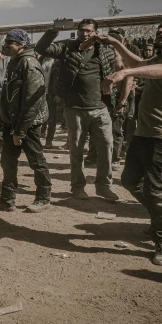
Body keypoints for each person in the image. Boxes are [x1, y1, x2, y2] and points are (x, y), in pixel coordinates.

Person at [99, 15, 162, 266]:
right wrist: (114, 43)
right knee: (130, 180)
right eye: (160, 27)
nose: (161, 31)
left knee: (154, 189)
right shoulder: (161, 55)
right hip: (145, 131)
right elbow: (142, 61)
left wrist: (124, 73)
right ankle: (161, 219)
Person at [35, 18, 127, 203]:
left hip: (101, 108)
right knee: (76, 151)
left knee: (106, 148)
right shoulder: (67, 47)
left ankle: (104, 187)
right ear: (77, 32)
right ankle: (78, 187)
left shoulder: (106, 51)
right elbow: (42, 49)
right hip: (75, 108)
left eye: (89, 31)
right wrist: (54, 30)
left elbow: (120, 68)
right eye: (82, 30)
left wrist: (118, 99)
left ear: (96, 32)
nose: (85, 34)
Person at [0, 29, 51, 213]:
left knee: (36, 161)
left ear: (21, 45)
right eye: (5, 42)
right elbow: (9, 94)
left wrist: (20, 131)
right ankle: (7, 199)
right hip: (12, 121)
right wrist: (2, 115)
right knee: (7, 160)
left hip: (28, 123)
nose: (6, 46)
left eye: (10, 42)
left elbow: (32, 101)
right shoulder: (14, 62)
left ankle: (43, 197)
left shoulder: (29, 64)